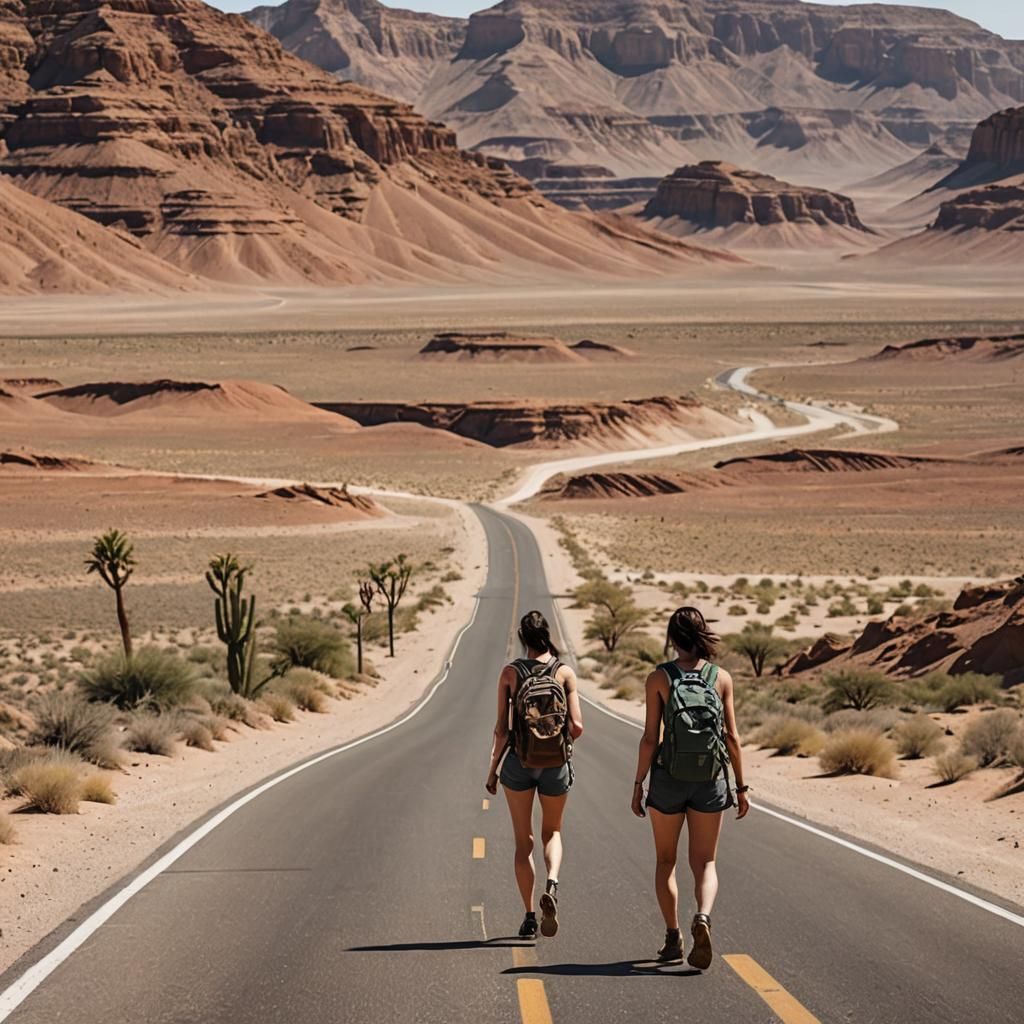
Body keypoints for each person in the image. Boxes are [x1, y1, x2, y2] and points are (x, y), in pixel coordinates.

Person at [630, 606, 749, 969]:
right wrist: (741, 788)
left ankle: (673, 938)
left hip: (667, 779)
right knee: (706, 861)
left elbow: (651, 738)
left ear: (672, 637)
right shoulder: (721, 678)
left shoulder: (659, 678)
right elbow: (731, 737)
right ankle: (703, 917)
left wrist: (638, 784)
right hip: (710, 781)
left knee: (666, 861)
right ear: (703, 634)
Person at [486, 611, 584, 940]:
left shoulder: (510, 674)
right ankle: (552, 883)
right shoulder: (565, 672)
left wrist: (492, 770)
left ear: (522, 638)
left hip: (518, 764)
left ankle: (529, 917)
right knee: (552, 831)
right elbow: (578, 727)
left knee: (522, 843)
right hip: (556, 764)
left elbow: (501, 730)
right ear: (547, 634)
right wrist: (555, 737)